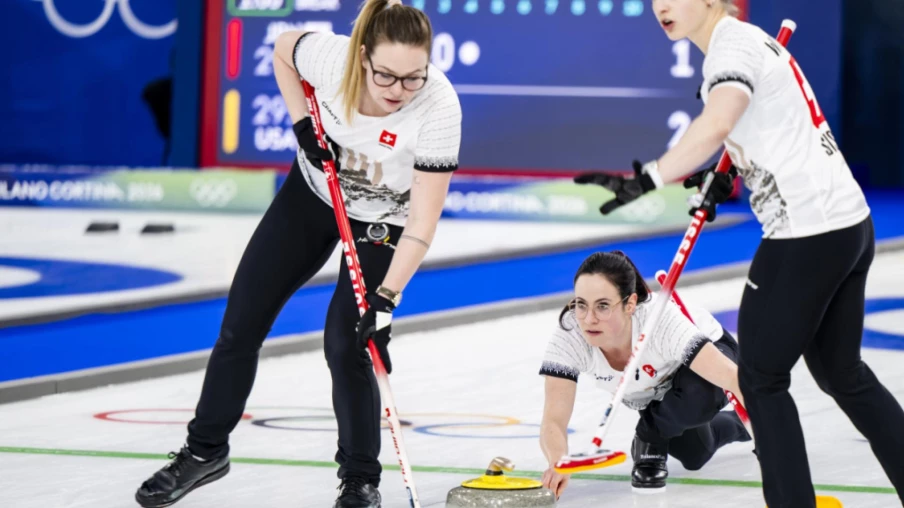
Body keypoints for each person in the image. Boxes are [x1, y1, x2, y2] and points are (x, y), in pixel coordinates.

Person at [572, 1, 904, 507]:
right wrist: (732, 170)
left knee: (760, 379)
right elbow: (769, 128)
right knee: (842, 373)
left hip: (805, 235)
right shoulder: (752, 43)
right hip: (848, 225)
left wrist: (649, 179)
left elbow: (717, 121)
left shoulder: (732, 47)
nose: (661, 6)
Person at [134, 0, 462, 506]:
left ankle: (360, 480)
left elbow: (422, 222)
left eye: (414, 77)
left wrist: (387, 300)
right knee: (242, 321)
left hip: (384, 219)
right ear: (361, 57)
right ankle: (204, 452)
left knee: (347, 344)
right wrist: (301, 125)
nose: (400, 91)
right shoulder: (331, 60)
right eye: (387, 77)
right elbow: (283, 50)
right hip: (314, 194)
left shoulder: (438, 108)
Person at [539, 251, 750, 498]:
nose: (589, 319)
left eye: (603, 306)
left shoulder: (658, 321)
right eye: (581, 304)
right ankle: (738, 424)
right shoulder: (569, 337)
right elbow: (553, 419)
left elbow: (730, 377)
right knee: (696, 454)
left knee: (699, 395)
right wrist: (558, 461)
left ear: (630, 304)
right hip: (656, 396)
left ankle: (649, 435)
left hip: (708, 358)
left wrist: (770, 429)